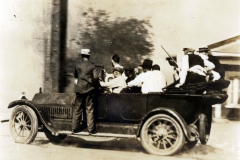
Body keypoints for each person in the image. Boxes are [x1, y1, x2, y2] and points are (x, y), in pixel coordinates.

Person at [72, 49, 96, 134]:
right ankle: (91, 129)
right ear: (89, 56)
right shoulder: (92, 66)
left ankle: (74, 128)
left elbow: (75, 78)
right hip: (89, 89)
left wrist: (78, 85)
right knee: (89, 109)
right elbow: (95, 78)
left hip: (79, 89)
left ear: (82, 56)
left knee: (77, 108)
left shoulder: (77, 65)